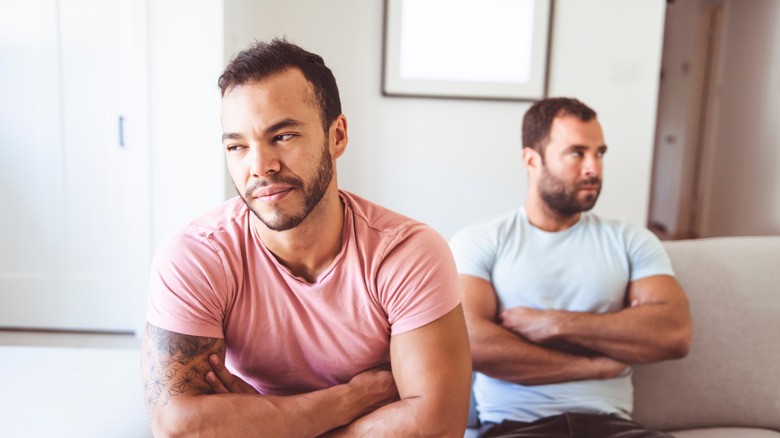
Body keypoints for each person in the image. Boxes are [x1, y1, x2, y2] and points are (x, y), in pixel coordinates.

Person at [141, 39, 472, 438]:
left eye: (282, 136)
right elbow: (178, 427)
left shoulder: (407, 253)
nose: (260, 167)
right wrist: (348, 401)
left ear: (337, 136)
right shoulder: (195, 255)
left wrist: (259, 421)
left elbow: (437, 424)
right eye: (238, 146)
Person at [448, 97, 692, 438]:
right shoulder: (480, 241)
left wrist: (553, 324)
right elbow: (469, 342)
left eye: (600, 153)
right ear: (531, 159)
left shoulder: (631, 239)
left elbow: (674, 333)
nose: (593, 168)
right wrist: (591, 367)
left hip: (615, 427)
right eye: (577, 153)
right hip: (516, 427)